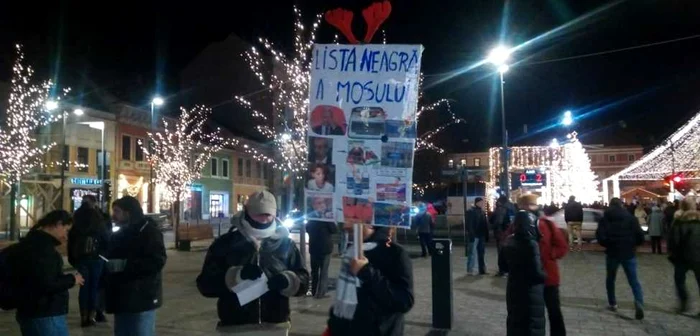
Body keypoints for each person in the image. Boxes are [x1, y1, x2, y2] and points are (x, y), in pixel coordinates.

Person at [197, 190, 309, 334]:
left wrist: (290, 280)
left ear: (275, 214)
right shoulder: (225, 244)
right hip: (235, 326)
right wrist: (235, 276)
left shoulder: (285, 244)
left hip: (276, 326)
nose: (263, 219)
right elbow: (205, 285)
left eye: (267, 214)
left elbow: (304, 280)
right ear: (246, 211)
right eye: (258, 214)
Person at [326, 224, 414, 336]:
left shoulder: (395, 253)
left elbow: (404, 301)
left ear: (369, 223)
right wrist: (334, 324)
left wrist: (365, 271)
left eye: (352, 220)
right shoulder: (351, 250)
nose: (345, 226)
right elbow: (344, 297)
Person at [7, 210, 84, 336]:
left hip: (32, 311)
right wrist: (72, 279)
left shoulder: (31, 243)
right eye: (66, 230)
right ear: (58, 224)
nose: (66, 236)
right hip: (45, 313)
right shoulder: (42, 249)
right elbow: (46, 283)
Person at [105, 196, 167, 336]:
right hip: (121, 297)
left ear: (128, 213)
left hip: (141, 296)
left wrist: (125, 265)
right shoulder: (120, 232)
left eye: (117, 211)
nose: (113, 215)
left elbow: (156, 261)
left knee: (140, 332)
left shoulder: (149, 232)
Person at [595, 197, 645, 320]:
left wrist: (607, 243)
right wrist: (634, 244)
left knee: (611, 279)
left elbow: (600, 236)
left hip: (612, 252)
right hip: (628, 252)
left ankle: (613, 303)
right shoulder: (631, 218)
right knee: (633, 280)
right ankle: (639, 302)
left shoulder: (605, 219)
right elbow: (640, 236)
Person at [504, 194, 546, 336]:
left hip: (513, 287)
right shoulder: (531, 244)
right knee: (532, 324)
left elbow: (503, 264)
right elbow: (536, 272)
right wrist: (545, 276)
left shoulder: (510, 240)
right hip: (530, 291)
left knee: (515, 322)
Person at [68, 194, 109, 327]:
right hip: (97, 258)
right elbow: (106, 239)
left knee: (84, 287)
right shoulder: (98, 219)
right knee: (95, 286)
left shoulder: (77, 219)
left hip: (82, 259)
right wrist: (104, 255)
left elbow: (71, 241)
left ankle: (84, 316)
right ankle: (92, 315)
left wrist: (73, 258)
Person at [667, 198, 700, 313]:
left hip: (682, 256)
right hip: (698, 256)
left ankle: (684, 303)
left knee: (679, 280)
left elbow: (674, 240)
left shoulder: (679, 221)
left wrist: (672, 253)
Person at [538, 212, 568, 336]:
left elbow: (562, 247)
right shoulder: (518, 224)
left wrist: (551, 254)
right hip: (528, 277)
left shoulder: (548, 224)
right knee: (530, 312)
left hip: (548, 275)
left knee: (553, 309)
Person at [307, 219, 338, 298]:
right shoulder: (327, 219)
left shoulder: (312, 219)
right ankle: (321, 293)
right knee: (323, 272)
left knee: (314, 271)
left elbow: (307, 228)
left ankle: (314, 291)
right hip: (325, 248)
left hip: (314, 248)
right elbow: (334, 230)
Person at [490, 196, 513, 277]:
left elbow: (498, 222)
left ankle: (502, 270)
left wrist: (494, 228)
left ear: (500, 202)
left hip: (501, 234)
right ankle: (508, 270)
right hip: (509, 233)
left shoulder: (501, 209)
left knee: (501, 253)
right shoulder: (512, 207)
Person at [466, 197, 489, 275]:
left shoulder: (482, 212)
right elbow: (469, 224)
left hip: (481, 235)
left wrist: (486, 234)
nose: (482, 204)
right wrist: (471, 234)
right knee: (472, 253)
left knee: (481, 253)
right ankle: (470, 270)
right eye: (481, 202)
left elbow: (485, 224)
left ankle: (481, 270)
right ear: (477, 203)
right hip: (475, 235)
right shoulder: (471, 211)